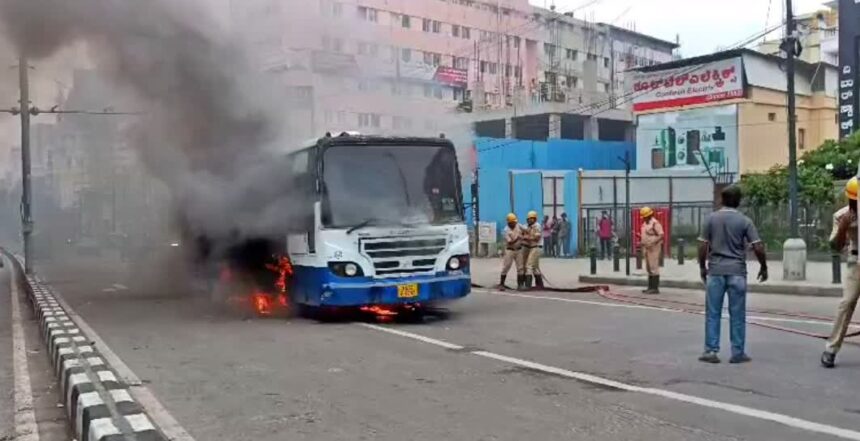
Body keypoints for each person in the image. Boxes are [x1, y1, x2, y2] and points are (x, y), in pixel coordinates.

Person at [697, 185, 767, 364]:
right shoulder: (744, 221)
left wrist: (702, 267)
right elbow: (757, 245)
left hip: (716, 271)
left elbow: (703, 245)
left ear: (722, 199)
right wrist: (763, 266)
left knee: (713, 313)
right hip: (737, 271)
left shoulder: (711, 219)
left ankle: (711, 351)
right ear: (738, 201)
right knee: (738, 313)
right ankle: (738, 352)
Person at [821, 177, 860, 368]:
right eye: (854, 201)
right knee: (846, 303)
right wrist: (844, 227)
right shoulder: (841, 215)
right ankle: (831, 348)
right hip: (856, 262)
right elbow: (835, 246)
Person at [640, 207, 664, 294]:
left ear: (649, 215)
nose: (643, 218)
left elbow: (661, 235)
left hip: (654, 248)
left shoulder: (655, 223)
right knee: (649, 267)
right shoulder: (645, 223)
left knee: (654, 267)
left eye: (645, 216)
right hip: (646, 248)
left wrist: (653, 242)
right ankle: (650, 287)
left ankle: (655, 288)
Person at [499, 213, 526, 290]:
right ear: (509, 222)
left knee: (520, 267)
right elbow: (510, 242)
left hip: (519, 249)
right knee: (506, 266)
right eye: (512, 222)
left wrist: (524, 234)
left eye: (515, 222)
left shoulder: (518, 225)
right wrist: (518, 238)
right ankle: (502, 284)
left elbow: (526, 230)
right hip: (510, 250)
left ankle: (520, 285)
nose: (514, 223)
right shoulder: (506, 230)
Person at [523, 210, 544, 288]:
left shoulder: (537, 226)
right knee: (535, 267)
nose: (530, 220)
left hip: (536, 247)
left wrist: (526, 238)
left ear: (535, 219)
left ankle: (528, 285)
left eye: (531, 218)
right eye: (529, 218)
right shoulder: (528, 226)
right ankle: (540, 285)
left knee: (529, 265)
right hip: (532, 248)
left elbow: (537, 238)